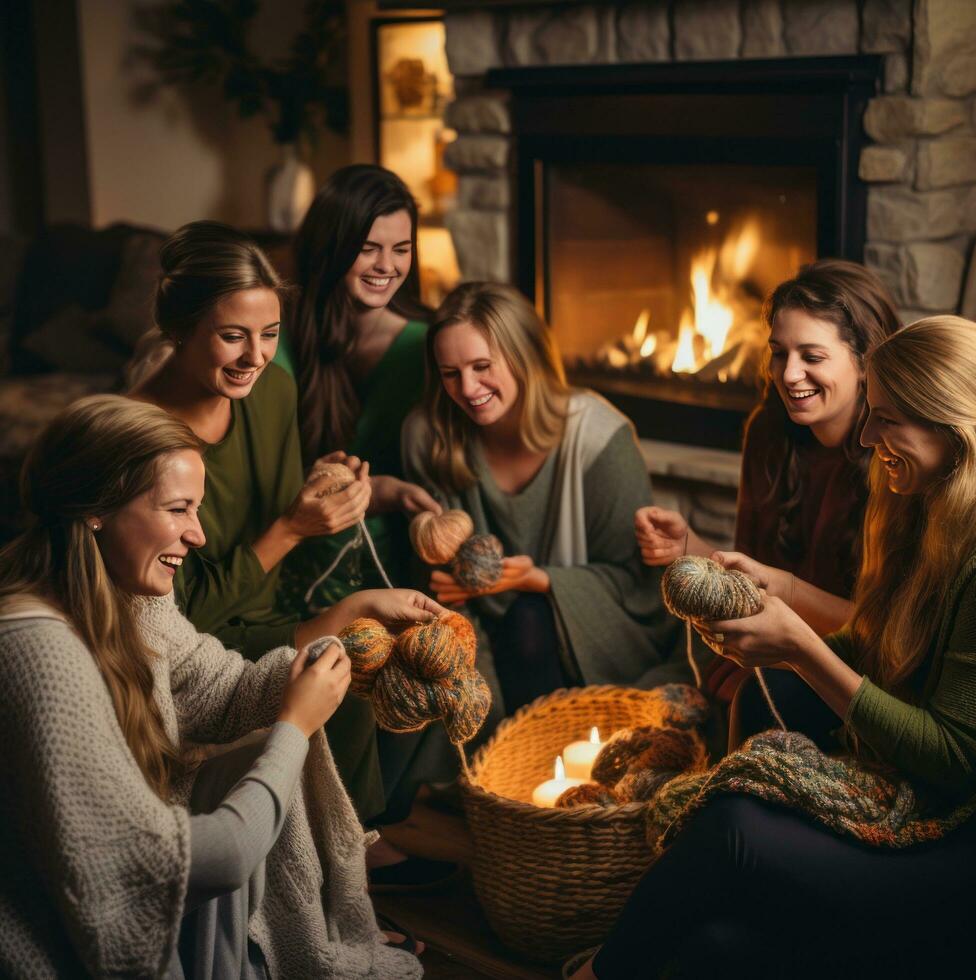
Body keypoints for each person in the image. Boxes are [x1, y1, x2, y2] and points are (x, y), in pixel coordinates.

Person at [568, 315, 976, 980]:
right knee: (715, 948)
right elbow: (885, 643)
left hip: (961, 844)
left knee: (731, 826)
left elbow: (956, 760)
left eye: (888, 420)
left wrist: (801, 648)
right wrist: (781, 634)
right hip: (923, 790)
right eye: (871, 415)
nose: (869, 438)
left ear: (953, 427)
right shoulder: (925, 503)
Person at [0, 395, 423, 978]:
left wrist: (347, 633)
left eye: (197, 510)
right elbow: (217, 855)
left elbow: (221, 689)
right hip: (54, 953)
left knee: (244, 753)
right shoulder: (41, 656)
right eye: (178, 509)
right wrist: (293, 730)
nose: (197, 535)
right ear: (96, 508)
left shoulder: (123, 595)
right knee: (259, 754)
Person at [129, 221, 442, 827]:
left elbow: (275, 508)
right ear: (178, 329)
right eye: (232, 336)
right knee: (344, 667)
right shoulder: (140, 437)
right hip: (192, 642)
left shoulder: (271, 389)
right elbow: (185, 618)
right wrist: (296, 529)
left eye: (270, 334)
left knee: (416, 647)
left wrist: (319, 487)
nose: (255, 356)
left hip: (274, 612)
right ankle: (354, 856)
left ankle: (366, 830)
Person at [402, 281, 683, 719]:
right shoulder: (429, 436)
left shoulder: (599, 438)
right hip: (481, 627)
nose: (468, 388)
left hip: (590, 627)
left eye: (482, 366)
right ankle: (497, 752)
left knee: (528, 620)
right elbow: (441, 580)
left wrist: (540, 581)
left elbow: (641, 587)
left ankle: (541, 750)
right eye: (450, 373)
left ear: (523, 357)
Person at [635, 260, 901, 706]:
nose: (788, 374)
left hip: (852, 668)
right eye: (780, 353)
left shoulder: (894, 457)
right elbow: (755, 576)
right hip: (767, 643)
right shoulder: (770, 432)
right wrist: (690, 547)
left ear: (864, 362)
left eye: (812, 356)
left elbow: (885, 635)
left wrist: (784, 606)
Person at [276, 163, 440, 617]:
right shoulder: (280, 336)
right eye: (368, 249)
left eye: (401, 249)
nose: (386, 266)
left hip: (390, 565)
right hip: (292, 549)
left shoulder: (425, 345)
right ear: (331, 249)